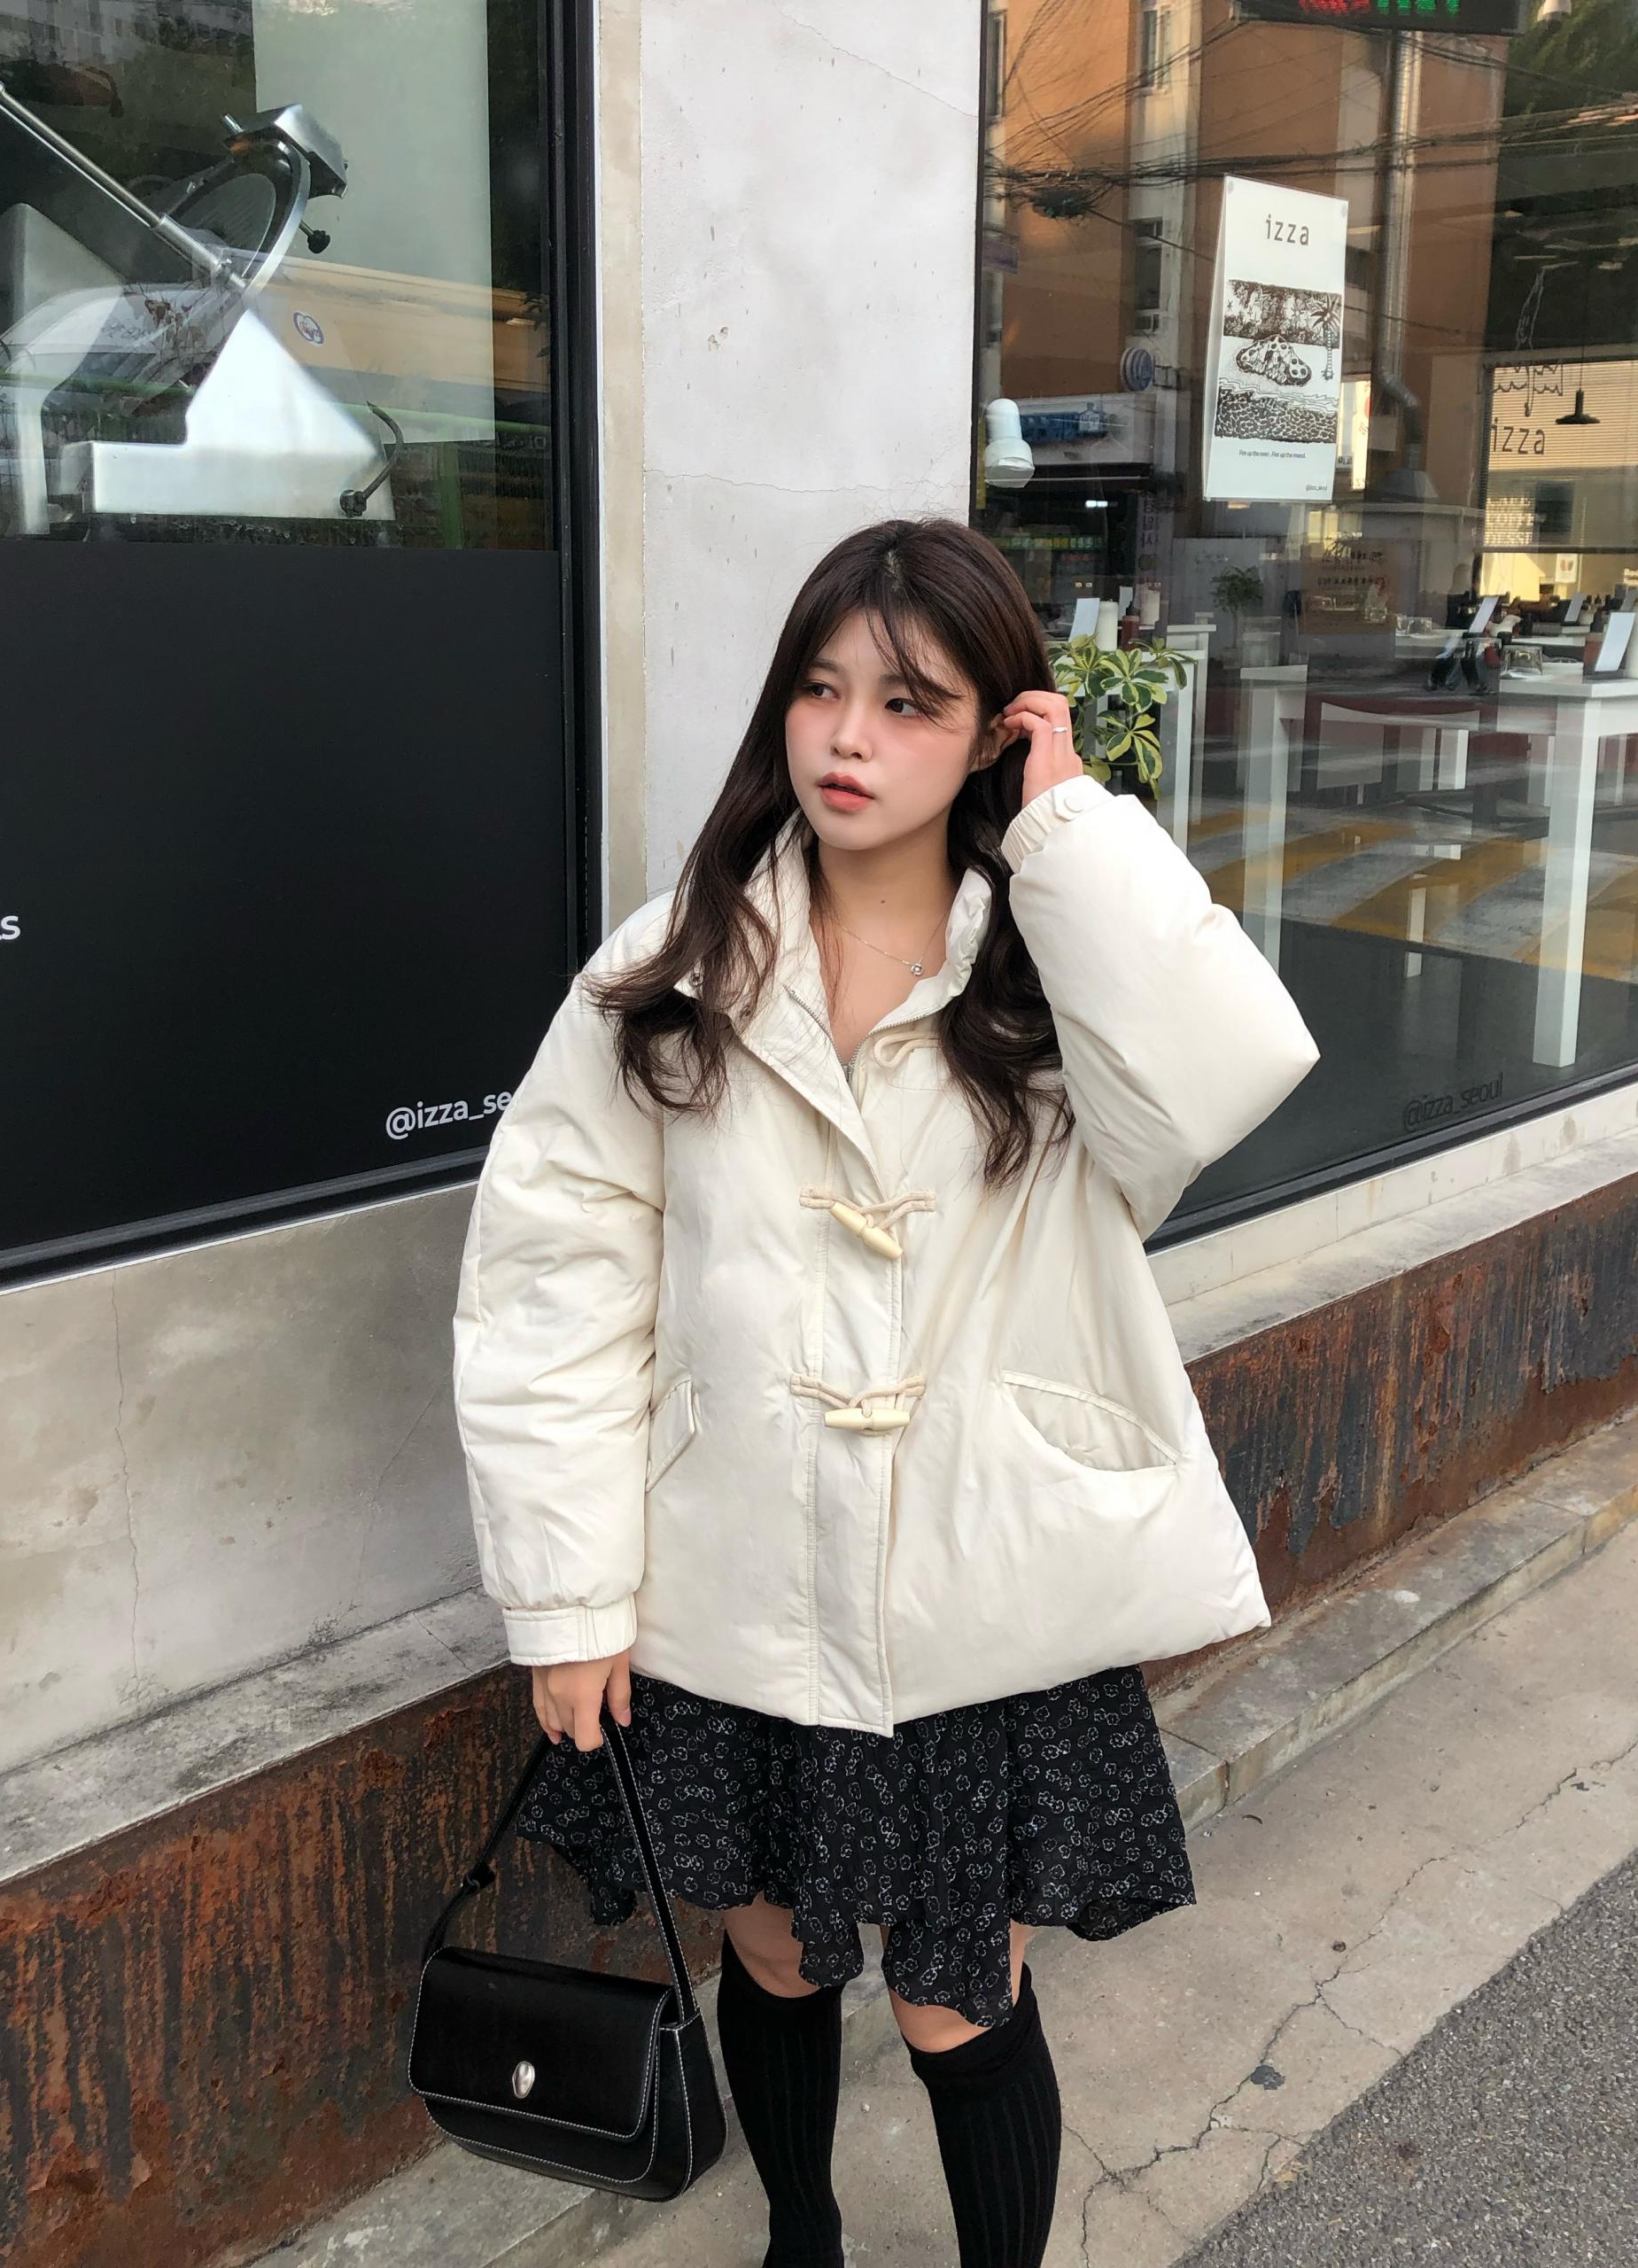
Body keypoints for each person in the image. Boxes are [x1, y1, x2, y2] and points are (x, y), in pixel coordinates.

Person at [453, 516, 1321, 2266]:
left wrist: (1069, 827)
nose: (849, 738)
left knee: (957, 1993)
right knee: (772, 1954)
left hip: (975, 1593)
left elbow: (1233, 1069)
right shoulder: (673, 965)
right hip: (735, 1579)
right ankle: (805, 2240)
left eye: (911, 702)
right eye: (821, 688)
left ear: (995, 726)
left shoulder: (1057, 962)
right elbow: (556, 1285)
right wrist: (568, 1595)